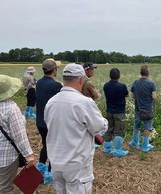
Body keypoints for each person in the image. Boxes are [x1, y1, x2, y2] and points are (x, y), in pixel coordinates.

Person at [44, 63, 108, 194]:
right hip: (77, 164)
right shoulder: (84, 102)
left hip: (56, 163)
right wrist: (101, 117)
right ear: (81, 79)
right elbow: (99, 128)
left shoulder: (51, 102)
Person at [0, 75, 36, 194]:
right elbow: (19, 135)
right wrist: (28, 155)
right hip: (5, 156)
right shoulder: (11, 108)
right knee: (4, 187)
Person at [35, 58, 62, 184]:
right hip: (51, 122)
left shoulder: (39, 83)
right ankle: (50, 174)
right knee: (54, 147)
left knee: (46, 145)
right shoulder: (56, 85)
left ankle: (40, 169)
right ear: (54, 70)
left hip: (39, 121)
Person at [129, 65, 157, 153]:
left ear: (141, 73)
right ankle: (145, 145)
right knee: (147, 126)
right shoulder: (151, 83)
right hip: (147, 109)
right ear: (148, 73)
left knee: (136, 125)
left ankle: (135, 142)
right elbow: (154, 97)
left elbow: (132, 96)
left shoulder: (135, 82)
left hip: (138, 108)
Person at [103, 68, 129, 157]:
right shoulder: (122, 86)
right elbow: (126, 94)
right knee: (119, 131)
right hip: (119, 111)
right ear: (119, 76)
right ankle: (117, 150)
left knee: (109, 129)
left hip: (109, 111)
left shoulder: (105, 85)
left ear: (110, 76)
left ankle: (107, 149)